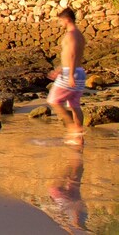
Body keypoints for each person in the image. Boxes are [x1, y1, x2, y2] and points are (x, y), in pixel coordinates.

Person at [47, 8, 86, 145]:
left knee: (53, 101)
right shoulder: (80, 35)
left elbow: (73, 54)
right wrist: (60, 69)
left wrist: (69, 74)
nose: (59, 23)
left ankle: (73, 130)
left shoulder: (71, 35)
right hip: (78, 72)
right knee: (74, 105)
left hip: (71, 73)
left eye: (60, 20)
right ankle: (79, 138)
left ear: (67, 19)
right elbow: (71, 56)